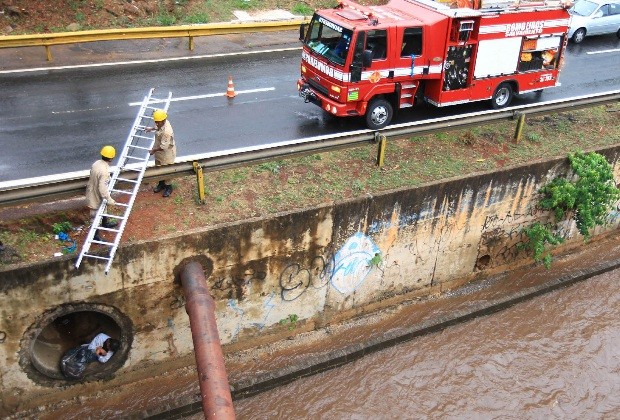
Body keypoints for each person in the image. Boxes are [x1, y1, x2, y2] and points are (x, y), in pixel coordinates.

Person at [86, 145, 117, 242]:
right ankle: (94, 236)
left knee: (104, 209)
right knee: (95, 215)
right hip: (96, 195)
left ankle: (105, 223)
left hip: (91, 189)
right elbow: (102, 189)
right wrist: (109, 199)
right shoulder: (104, 172)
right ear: (112, 157)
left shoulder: (96, 163)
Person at [146, 109, 176, 198]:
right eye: (156, 122)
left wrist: (153, 150)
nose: (157, 123)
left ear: (163, 120)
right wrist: (151, 128)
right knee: (158, 167)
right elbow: (158, 127)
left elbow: (163, 147)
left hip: (167, 153)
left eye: (158, 122)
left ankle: (168, 187)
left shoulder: (167, 132)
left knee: (166, 170)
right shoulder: (162, 123)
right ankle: (161, 184)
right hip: (159, 150)